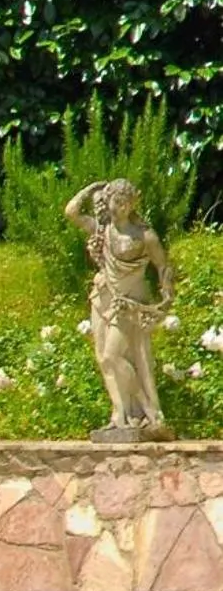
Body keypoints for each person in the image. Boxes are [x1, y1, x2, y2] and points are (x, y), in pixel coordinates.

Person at [67, 178, 174, 435]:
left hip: (129, 304)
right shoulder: (101, 230)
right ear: (109, 201)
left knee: (112, 355)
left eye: (127, 203)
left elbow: (163, 265)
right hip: (102, 297)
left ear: (132, 205)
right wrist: (91, 188)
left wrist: (166, 295)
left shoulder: (144, 236)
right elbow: (71, 212)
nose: (121, 208)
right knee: (104, 359)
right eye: (117, 202)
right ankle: (120, 415)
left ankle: (147, 409)